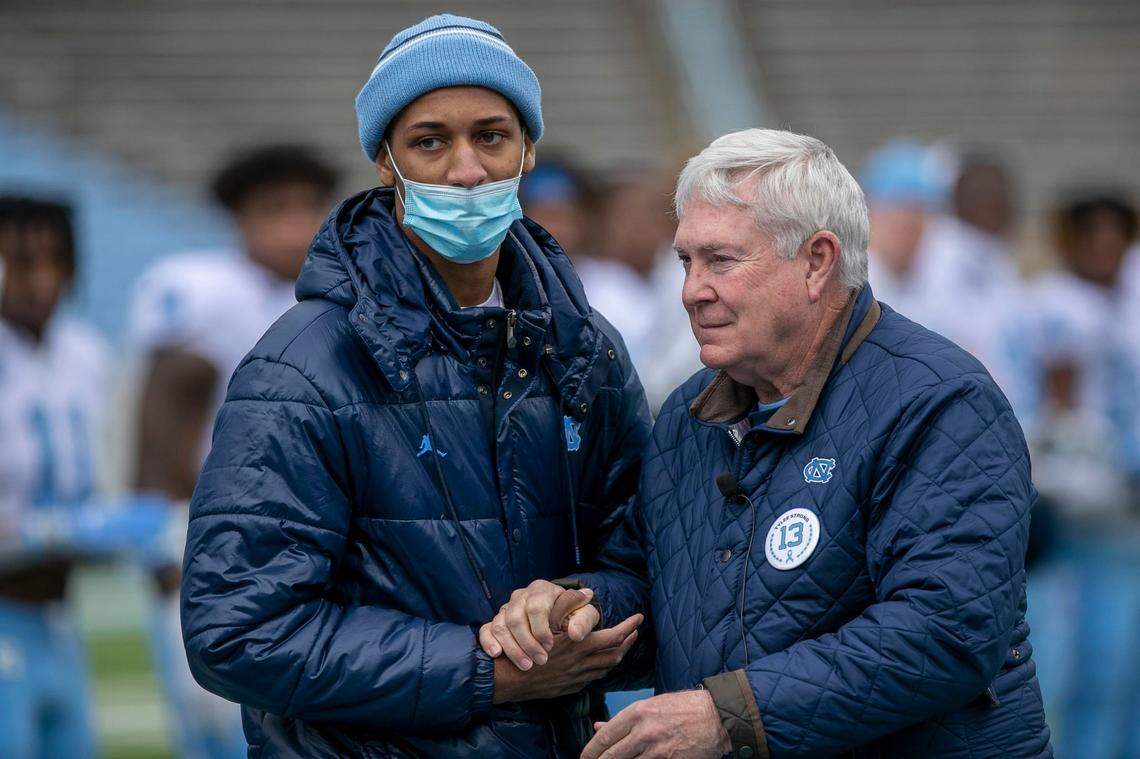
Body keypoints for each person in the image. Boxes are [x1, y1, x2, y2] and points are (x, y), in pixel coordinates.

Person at [483, 129, 1053, 758]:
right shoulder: (690, 415)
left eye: (721, 261)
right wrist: (577, 609)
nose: (691, 290)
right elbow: (656, 590)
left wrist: (726, 718)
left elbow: (946, 632)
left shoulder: (941, 403)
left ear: (817, 262)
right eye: (686, 261)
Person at [180, 14, 651, 758]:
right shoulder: (301, 370)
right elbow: (238, 631)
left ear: (528, 151)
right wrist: (487, 671)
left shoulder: (584, 349)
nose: (466, 170)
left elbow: (650, 565)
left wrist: (576, 608)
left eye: (491, 136)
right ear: (384, 162)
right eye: (430, 142)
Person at [128, 145, 339, 758]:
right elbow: (162, 428)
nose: (294, 226)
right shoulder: (202, 291)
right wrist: (173, 553)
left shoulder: (336, 295)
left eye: (307, 208)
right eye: (276, 209)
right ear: (239, 218)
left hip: (316, 541)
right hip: (226, 544)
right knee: (225, 724)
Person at [0, 196, 168, 758]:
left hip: (62, 613)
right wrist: (42, 530)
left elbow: (108, 480)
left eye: (56, 261)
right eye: (21, 262)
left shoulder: (87, 354)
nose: (41, 281)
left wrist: (130, 538)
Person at [1023, 192, 1140, 759]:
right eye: (1091, 234)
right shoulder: (1050, 304)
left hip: (1122, 512)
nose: (1104, 246)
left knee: (1122, 671)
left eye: (1114, 234)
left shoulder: (1127, 301)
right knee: (1073, 670)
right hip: (1072, 510)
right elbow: (1054, 415)